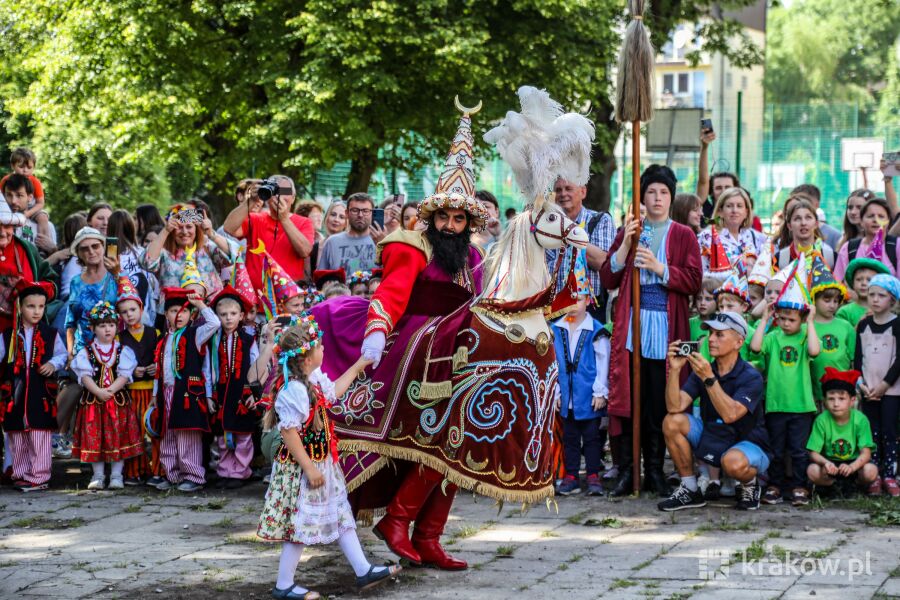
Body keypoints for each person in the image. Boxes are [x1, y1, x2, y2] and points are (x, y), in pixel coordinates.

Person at [257, 321, 400, 599]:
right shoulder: (295, 390)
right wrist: (309, 468)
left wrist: (359, 366)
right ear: (308, 357)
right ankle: (284, 585)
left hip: (322, 462)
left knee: (341, 514)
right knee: (300, 524)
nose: (324, 348)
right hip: (302, 468)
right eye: (320, 346)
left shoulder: (312, 379)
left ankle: (363, 570)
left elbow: (333, 392)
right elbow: (288, 432)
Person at [600, 164, 702, 497]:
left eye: (663, 193)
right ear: (642, 196)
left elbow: (693, 280)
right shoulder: (630, 228)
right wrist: (626, 246)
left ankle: (656, 471)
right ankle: (629, 470)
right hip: (633, 326)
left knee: (660, 401)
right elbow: (608, 278)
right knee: (631, 399)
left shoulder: (683, 235)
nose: (657, 198)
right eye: (651, 192)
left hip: (667, 325)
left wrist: (661, 268)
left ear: (671, 198)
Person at [658, 312, 770, 511]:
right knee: (671, 421)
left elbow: (731, 415)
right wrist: (674, 370)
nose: (710, 339)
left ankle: (750, 484)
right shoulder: (705, 370)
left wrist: (709, 379)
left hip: (748, 441)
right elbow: (674, 406)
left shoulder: (751, 376)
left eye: (719, 335)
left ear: (738, 343)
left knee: (732, 463)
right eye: (710, 333)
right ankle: (690, 488)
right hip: (714, 435)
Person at [750, 271, 820, 507]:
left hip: (800, 406)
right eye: (782, 318)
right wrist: (764, 320)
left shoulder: (803, 337)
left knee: (798, 451)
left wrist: (810, 322)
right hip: (776, 404)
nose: (787, 323)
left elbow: (814, 351)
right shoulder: (773, 336)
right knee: (777, 450)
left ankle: (800, 486)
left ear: (800, 319)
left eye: (792, 319)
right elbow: (756, 347)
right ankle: (775, 486)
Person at [150, 288, 221, 492]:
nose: (178, 315)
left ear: (191, 315)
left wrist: (200, 304)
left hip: (188, 393)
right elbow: (159, 370)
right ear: (166, 315)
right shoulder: (163, 341)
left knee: (187, 434)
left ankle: (193, 475)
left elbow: (214, 323)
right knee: (167, 434)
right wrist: (155, 394)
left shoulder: (195, 335)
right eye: (173, 311)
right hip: (166, 393)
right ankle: (171, 474)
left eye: (183, 311)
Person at [0, 280, 66, 491]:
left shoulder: (50, 334)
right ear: (20, 307)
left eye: (41, 306)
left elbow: (62, 355)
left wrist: (52, 364)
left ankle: (39, 476)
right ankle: (20, 473)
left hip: (40, 393)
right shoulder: (8, 336)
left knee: (39, 435)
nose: (37, 311)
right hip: (15, 393)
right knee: (17, 436)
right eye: (31, 306)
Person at [71, 301, 142, 490]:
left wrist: (110, 391)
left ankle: (117, 475)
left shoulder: (122, 351)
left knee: (118, 436)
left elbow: (125, 375)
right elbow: (84, 375)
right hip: (93, 402)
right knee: (96, 438)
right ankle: (98, 475)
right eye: (102, 326)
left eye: (111, 325)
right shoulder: (86, 352)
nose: (107, 330)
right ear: (93, 328)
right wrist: (98, 391)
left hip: (117, 402)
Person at [552, 294, 610, 496]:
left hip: (589, 396)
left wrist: (601, 391)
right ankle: (572, 475)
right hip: (568, 397)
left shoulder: (596, 330)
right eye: (568, 299)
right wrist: (557, 392)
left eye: (578, 299)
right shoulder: (557, 329)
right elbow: (552, 364)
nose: (572, 304)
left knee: (592, 438)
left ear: (588, 301)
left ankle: (593, 474)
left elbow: (603, 363)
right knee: (570, 438)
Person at [210, 286, 266, 489]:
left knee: (242, 435)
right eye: (223, 314)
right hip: (223, 392)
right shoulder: (214, 340)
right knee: (224, 435)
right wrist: (210, 394)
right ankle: (225, 470)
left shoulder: (248, 339)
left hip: (241, 392)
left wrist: (253, 393)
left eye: (233, 314)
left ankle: (241, 472)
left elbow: (255, 366)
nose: (228, 318)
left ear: (242, 315)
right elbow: (210, 368)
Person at [224, 175, 314, 291]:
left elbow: (305, 251)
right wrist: (251, 200)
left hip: (289, 299)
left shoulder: (304, 222)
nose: (279, 196)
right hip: (256, 298)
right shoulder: (255, 219)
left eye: (285, 191)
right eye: (275, 191)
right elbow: (229, 228)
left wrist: (284, 219)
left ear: (293, 198)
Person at [853, 273, 900, 497]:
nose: (875, 299)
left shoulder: (897, 324)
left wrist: (884, 384)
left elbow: (899, 359)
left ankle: (890, 474)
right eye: (872, 294)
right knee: (871, 433)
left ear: (892, 299)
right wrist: (862, 385)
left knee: (889, 432)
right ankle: (874, 474)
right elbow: (857, 358)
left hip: (891, 390)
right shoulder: (863, 325)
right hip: (868, 390)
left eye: (881, 295)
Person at [143, 204, 237, 312]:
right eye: (179, 227)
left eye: (189, 227)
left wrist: (211, 233)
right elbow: (147, 262)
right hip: (174, 316)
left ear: (196, 229)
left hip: (210, 314)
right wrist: (165, 231)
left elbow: (234, 254)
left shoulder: (207, 247)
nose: (184, 231)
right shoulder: (164, 252)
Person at [115, 275, 162, 487]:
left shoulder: (156, 333)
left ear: (141, 309)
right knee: (133, 431)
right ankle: (134, 471)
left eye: (133, 310)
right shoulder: (119, 338)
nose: (129, 315)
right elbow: (116, 365)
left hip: (151, 391)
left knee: (154, 429)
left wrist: (155, 367)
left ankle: (158, 470)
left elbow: (163, 358)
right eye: (124, 312)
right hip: (130, 392)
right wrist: (133, 371)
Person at [547, 177, 616, 320]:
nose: (562, 194)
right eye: (558, 190)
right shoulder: (547, 226)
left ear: (583, 192)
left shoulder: (600, 220)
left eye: (568, 189)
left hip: (590, 309)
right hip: (553, 309)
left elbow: (602, 262)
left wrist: (569, 230)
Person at [806, 368, 878, 496]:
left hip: (854, 463)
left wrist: (852, 467)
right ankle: (832, 486)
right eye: (831, 399)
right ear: (825, 401)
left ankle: (855, 485)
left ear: (852, 400)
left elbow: (866, 453)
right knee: (812, 470)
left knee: (870, 470)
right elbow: (813, 453)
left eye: (841, 398)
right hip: (831, 464)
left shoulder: (860, 420)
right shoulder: (821, 420)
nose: (836, 404)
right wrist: (826, 463)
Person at [0, 198, 58, 333]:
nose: (2, 232)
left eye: (7, 226)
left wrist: (35, 289)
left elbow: (51, 282)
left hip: (25, 336)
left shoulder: (27, 249)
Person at [809, 257, 856, 408]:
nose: (832, 305)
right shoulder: (807, 326)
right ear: (814, 299)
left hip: (841, 394)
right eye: (827, 300)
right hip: (814, 394)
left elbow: (854, 360)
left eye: (836, 301)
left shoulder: (845, 326)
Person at [64, 227, 119, 355]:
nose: (91, 251)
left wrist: (118, 276)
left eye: (95, 246)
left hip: (112, 351)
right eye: (84, 248)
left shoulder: (116, 276)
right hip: (82, 353)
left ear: (103, 247)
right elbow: (70, 322)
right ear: (78, 253)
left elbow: (132, 311)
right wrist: (71, 354)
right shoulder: (75, 282)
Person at [697, 188, 767, 272]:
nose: (734, 210)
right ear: (720, 211)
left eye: (739, 206)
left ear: (746, 212)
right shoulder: (707, 237)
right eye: (729, 206)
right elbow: (701, 273)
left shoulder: (757, 237)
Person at [108, 210, 158, 327]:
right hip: (144, 314)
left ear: (110, 229)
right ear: (131, 228)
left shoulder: (109, 254)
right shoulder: (142, 252)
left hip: (117, 318)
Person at [834, 197, 899, 282]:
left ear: (889, 221)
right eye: (870, 216)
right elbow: (837, 283)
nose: (875, 220)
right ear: (861, 221)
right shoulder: (849, 248)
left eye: (881, 216)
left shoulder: (897, 245)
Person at [316, 193, 377, 274]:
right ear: (347, 213)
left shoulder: (381, 241)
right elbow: (321, 277)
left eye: (365, 211)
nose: (360, 215)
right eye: (355, 210)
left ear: (372, 213)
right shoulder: (332, 242)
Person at [0, 148, 49, 240]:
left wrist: (28, 213)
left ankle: (44, 241)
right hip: (9, 207)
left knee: (43, 217)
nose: (25, 170)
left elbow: (40, 203)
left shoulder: (35, 182)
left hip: (32, 208)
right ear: (13, 166)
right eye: (21, 167)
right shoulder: (6, 180)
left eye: (29, 168)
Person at [773, 197, 835, 269]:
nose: (803, 223)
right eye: (797, 218)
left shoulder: (830, 257)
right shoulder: (779, 259)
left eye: (808, 217)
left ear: (816, 224)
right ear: (789, 226)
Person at [1, 174, 56, 254]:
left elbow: (53, 264)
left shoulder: (47, 226)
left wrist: (53, 250)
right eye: (9, 195)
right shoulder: (1, 226)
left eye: (19, 195)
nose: (13, 201)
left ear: (30, 197)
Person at [836, 258, 888, 327]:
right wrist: (861, 323)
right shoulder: (844, 312)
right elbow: (843, 337)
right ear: (853, 284)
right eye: (859, 279)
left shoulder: (885, 310)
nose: (863, 283)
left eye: (869, 280)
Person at [790, 184, 841, 250]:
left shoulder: (834, 236)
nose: (801, 206)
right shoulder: (784, 236)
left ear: (817, 204)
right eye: (795, 203)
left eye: (806, 202)